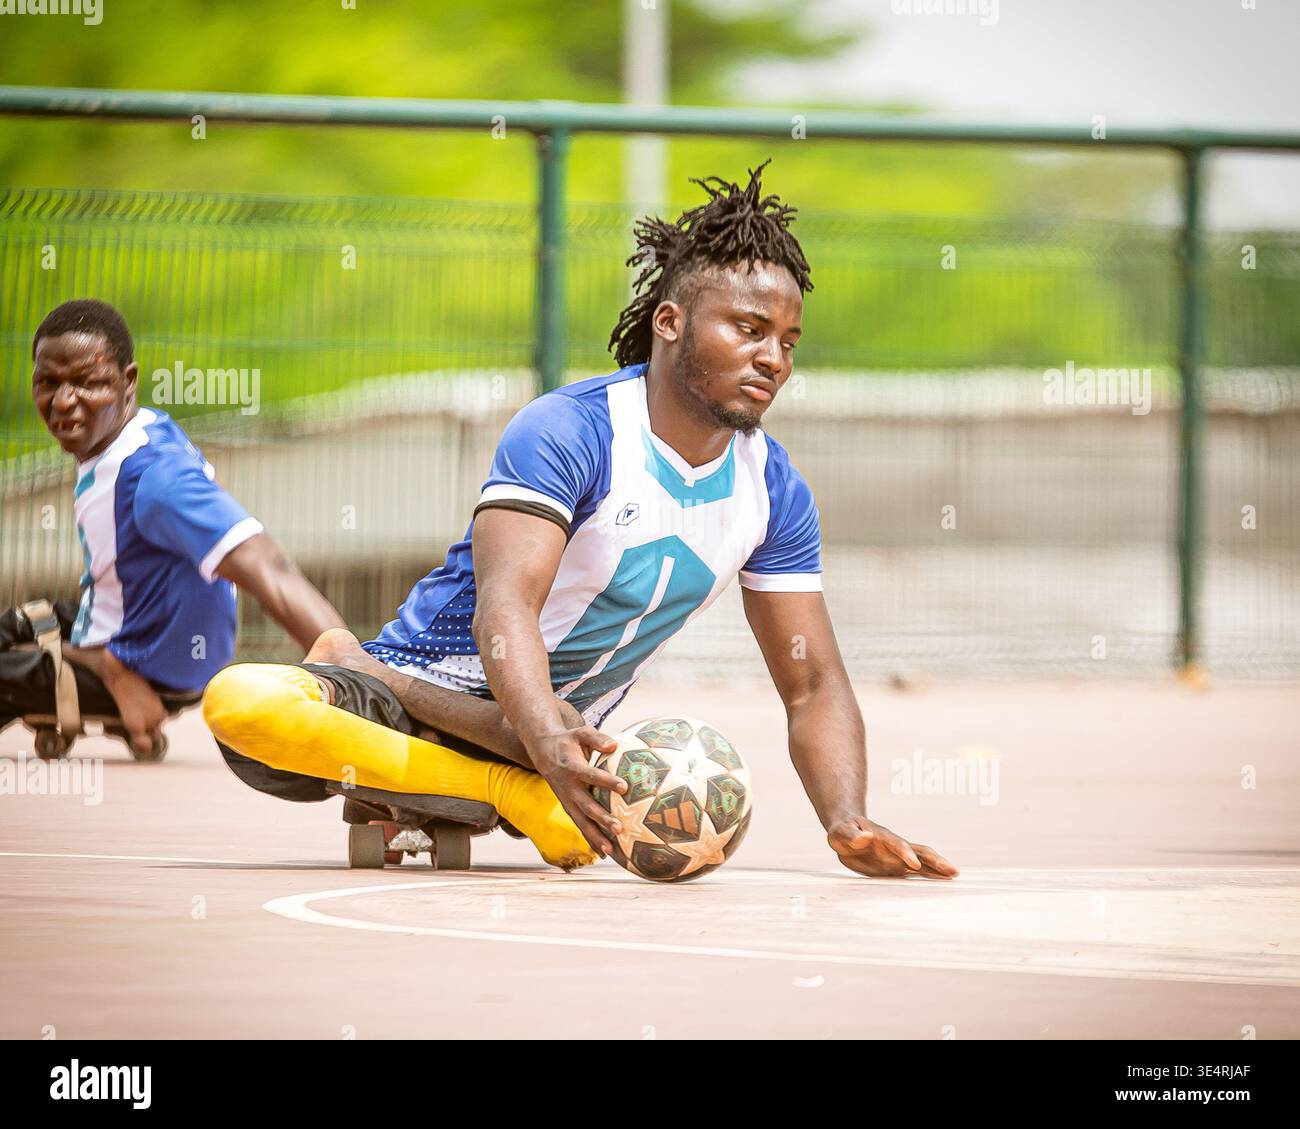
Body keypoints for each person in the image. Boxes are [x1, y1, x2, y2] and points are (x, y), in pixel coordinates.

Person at [205, 162, 958, 879]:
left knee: (573, 782)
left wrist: (847, 819)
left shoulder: (773, 490)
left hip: (564, 742)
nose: (773, 359)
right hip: (434, 700)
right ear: (670, 320)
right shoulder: (571, 429)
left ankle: (491, 779)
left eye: (787, 342)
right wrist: (535, 739)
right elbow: (505, 608)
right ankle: (435, 731)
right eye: (748, 329)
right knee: (245, 706)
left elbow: (812, 683)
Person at [0, 299, 347, 758]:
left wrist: (353, 680)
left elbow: (271, 568)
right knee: (14, 625)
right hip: (131, 622)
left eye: (87, 383)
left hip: (151, 662)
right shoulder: (140, 429)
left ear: (128, 382)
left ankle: (110, 675)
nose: (64, 402)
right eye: (49, 383)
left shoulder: (154, 477)